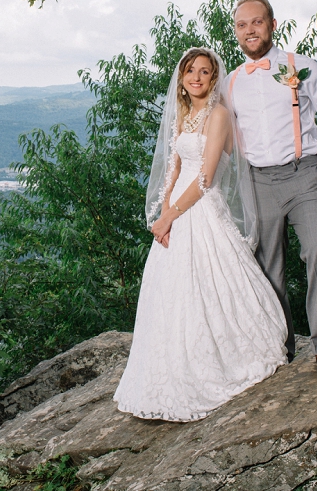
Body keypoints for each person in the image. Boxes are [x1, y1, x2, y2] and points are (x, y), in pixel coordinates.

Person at [113, 47, 289, 422]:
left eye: (204, 72)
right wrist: (164, 213)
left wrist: (174, 214)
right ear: (181, 78)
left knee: (207, 286)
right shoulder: (185, 114)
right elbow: (174, 168)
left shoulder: (219, 115)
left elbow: (206, 177)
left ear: (214, 78)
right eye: (190, 71)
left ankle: (215, 361)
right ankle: (166, 366)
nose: (196, 77)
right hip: (176, 211)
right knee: (170, 292)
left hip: (201, 208)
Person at [228, 0, 317, 373]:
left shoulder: (304, 67)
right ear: (236, 32)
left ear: (272, 25)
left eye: (257, 22)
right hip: (257, 182)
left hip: (305, 176)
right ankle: (281, 346)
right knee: (268, 269)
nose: (250, 30)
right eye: (242, 24)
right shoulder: (231, 82)